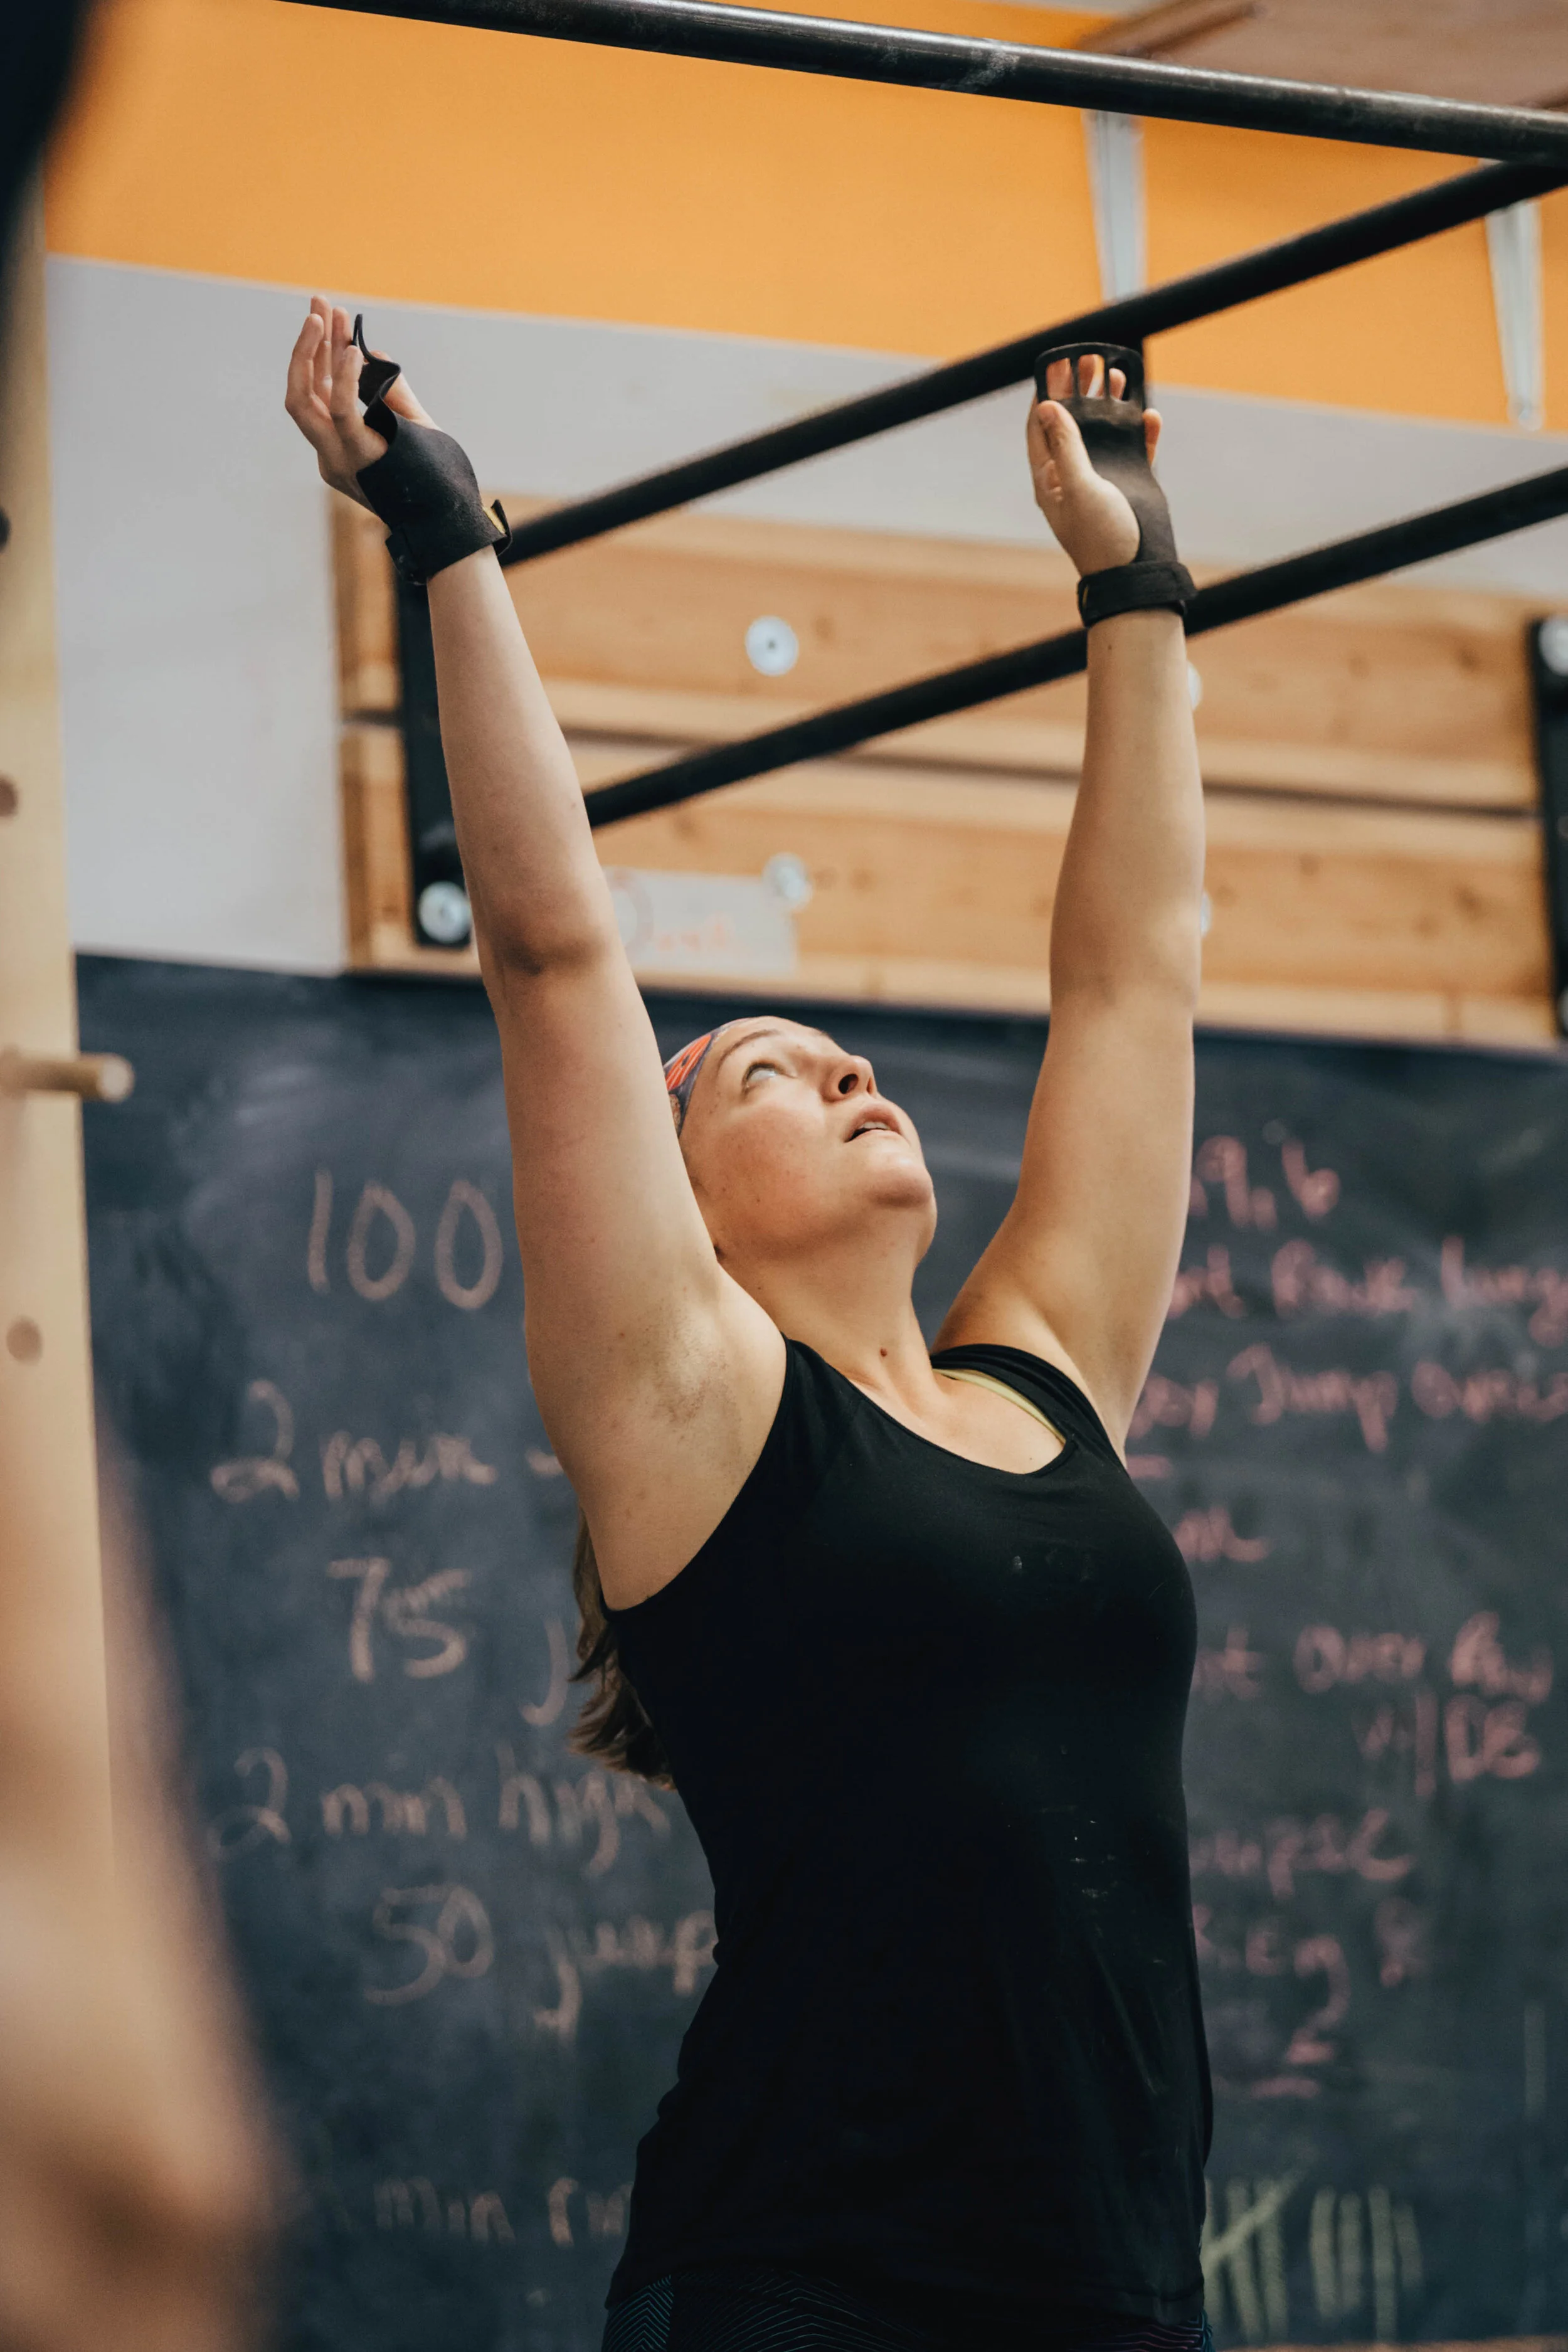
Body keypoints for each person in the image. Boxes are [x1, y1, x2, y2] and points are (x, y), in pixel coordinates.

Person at [286, 300, 1210, 2351]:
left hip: (1125, 2296)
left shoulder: (1043, 1368)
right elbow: (552, 951)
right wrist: (447, 542)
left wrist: (1133, 581)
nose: (854, 1071)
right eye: (773, 1073)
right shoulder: (690, 1401)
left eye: (849, 1055)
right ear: (675, 1200)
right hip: (813, 2289)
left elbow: (1136, 975)